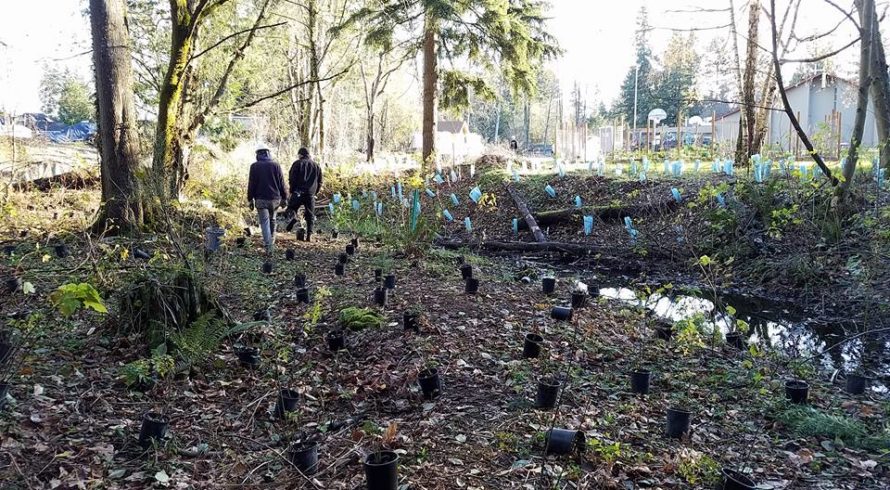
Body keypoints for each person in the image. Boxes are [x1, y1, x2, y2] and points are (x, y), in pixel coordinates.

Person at [247, 145, 287, 253]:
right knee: (272, 219)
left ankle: (269, 246)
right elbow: (281, 183)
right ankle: (271, 239)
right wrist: (284, 197)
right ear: (268, 153)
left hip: (261, 200)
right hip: (275, 199)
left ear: (258, 155)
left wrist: (250, 199)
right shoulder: (276, 165)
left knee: (264, 222)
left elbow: (251, 185)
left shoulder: (254, 166)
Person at [286, 147, 323, 241]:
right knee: (310, 214)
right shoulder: (316, 166)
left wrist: (291, 190)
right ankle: (309, 235)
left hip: (298, 192)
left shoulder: (297, 164)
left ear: (300, 155)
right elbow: (320, 182)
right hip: (310, 194)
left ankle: (294, 218)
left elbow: (292, 179)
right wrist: (315, 192)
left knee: (291, 208)